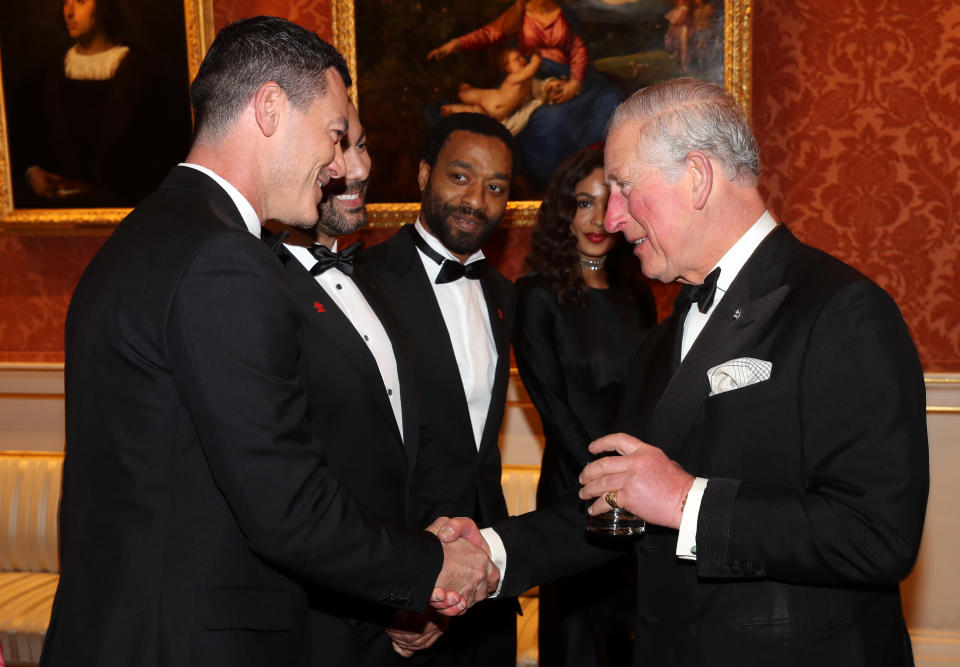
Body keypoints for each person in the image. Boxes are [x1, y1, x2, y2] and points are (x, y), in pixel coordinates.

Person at [40, 17, 495, 667]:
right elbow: (288, 505)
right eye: (336, 135)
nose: (340, 165)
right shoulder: (223, 260)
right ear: (271, 107)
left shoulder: (145, 234)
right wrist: (432, 564)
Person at [439, 77, 929, 666]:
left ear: (697, 177)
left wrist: (685, 502)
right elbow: (614, 500)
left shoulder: (842, 311)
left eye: (623, 186)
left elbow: (875, 534)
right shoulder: (661, 340)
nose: (613, 217)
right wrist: (491, 552)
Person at [362, 112, 519, 667]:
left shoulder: (504, 296)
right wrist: (396, 590)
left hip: (488, 582)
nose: (477, 199)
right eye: (460, 177)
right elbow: (349, 453)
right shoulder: (362, 282)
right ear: (424, 175)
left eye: (495, 187)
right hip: (403, 590)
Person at [513, 147, 657, 667]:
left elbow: (646, 396)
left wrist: (637, 482)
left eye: (607, 203)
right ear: (563, 212)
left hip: (638, 490)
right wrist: (608, 483)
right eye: (582, 203)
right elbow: (553, 407)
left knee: (629, 633)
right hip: (575, 491)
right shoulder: (535, 296)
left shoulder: (635, 293)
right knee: (576, 639)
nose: (597, 220)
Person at [13, 0, 190, 207]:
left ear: (103, 7)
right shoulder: (47, 77)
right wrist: (32, 172)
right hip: (60, 213)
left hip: (129, 209)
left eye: (80, 2)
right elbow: (27, 143)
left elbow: (164, 150)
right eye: (65, 3)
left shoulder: (145, 73)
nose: (69, 13)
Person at [427, 0, 620, 189]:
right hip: (529, 80)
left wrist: (574, 84)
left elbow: (579, 50)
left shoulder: (564, 14)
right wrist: (455, 44)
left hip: (567, 77)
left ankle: (590, 173)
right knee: (549, 120)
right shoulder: (519, 13)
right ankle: (551, 182)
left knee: (609, 98)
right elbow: (488, 34)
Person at [441, 50, 560, 136]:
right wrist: (536, 60)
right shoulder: (514, 78)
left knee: (475, 112)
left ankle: (454, 108)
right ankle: (459, 92)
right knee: (471, 95)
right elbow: (528, 72)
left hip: (495, 113)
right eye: (516, 59)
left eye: (521, 57)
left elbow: (536, 89)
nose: (522, 60)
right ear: (508, 68)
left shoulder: (529, 82)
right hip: (491, 99)